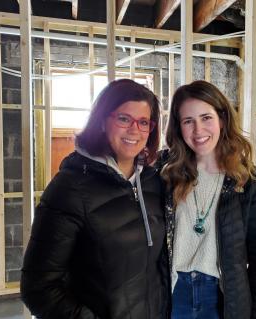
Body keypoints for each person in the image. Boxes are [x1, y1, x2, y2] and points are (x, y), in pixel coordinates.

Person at [21, 79, 169, 319]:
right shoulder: (70, 188)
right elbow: (38, 287)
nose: (135, 130)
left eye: (143, 122)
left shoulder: (153, 182)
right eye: (124, 119)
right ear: (102, 120)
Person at [160, 80, 256, 319]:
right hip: (172, 294)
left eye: (206, 118)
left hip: (223, 298)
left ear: (222, 120)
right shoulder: (163, 172)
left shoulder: (248, 180)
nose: (198, 130)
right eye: (188, 121)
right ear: (178, 127)